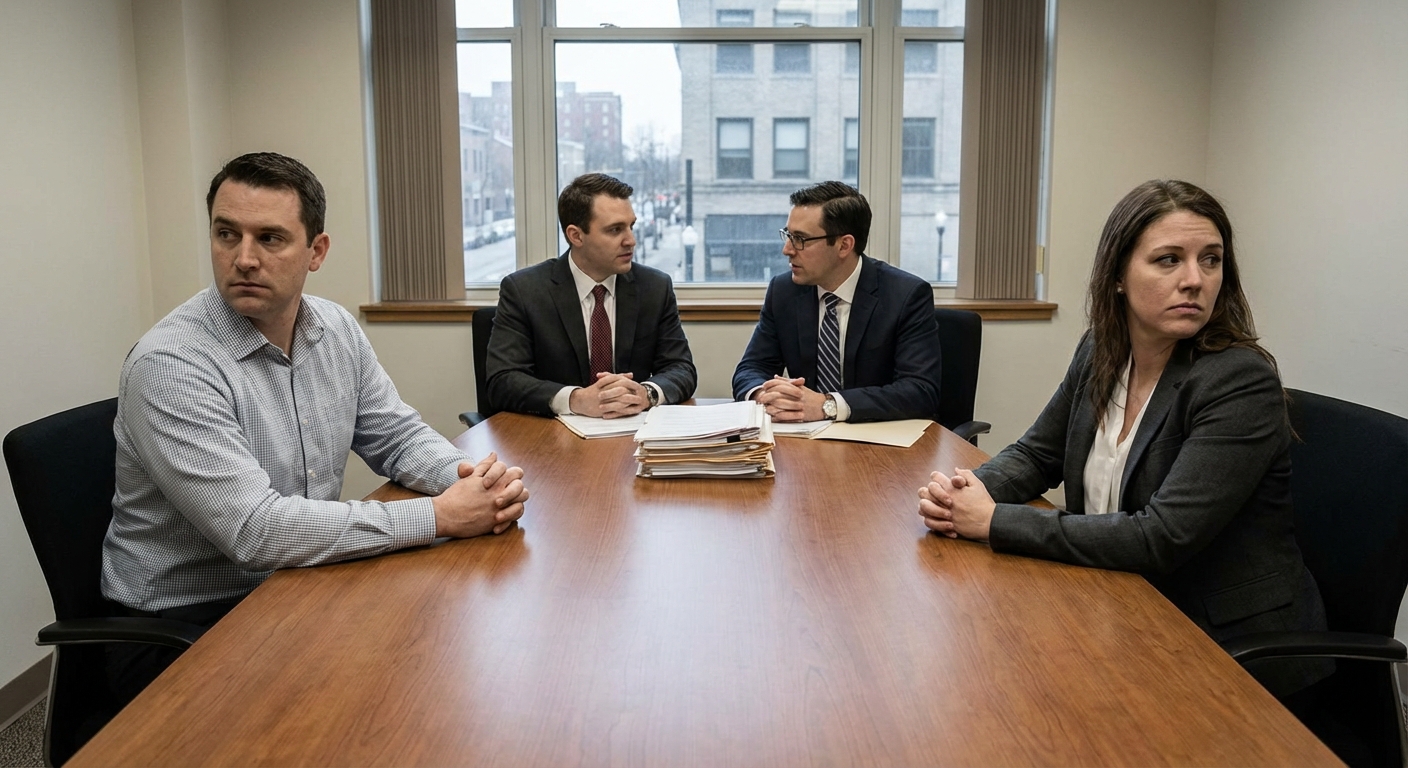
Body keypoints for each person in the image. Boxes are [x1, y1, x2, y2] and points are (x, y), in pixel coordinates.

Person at [103, 152, 530, 697]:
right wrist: (441, 516)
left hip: (293, 583)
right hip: (185, 627)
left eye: (270, 238)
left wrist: (470, 480)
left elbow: (395, 436)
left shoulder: (334, 329)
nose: (244, 259)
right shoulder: (172, 364)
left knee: (447, 660)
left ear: (316, 251)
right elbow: (254, 532)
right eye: (226, 234)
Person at [917, 179, 1331, 699]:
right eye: (1168, 260)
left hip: (1218, 640)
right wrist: (964, 491)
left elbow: (1161, 537)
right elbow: (1038, 453)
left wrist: (994, 519)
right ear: (1117, 275)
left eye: (1210, 260)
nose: (1194, 280)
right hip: (1117, 599)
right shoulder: (1102, 348)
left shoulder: (1237, 380)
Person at [485, 173, 696, 418]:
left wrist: (645, 394)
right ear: (576, 235)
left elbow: (681, 368)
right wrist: (575, 399)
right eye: (615, 230)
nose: (631, 240)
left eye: (631, 226)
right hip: (552, 437)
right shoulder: (524, 291)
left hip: (631, 435)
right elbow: (502, 380)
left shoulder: (654, 287)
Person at [732, 181, 942, 423]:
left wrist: (827, 405)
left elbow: (920, 390)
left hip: (878, 440)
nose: (787, 249)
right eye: (788, 235)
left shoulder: (905, 295)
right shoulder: (784, 291)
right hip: (804, 439)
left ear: (844, 245)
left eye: (800, 239)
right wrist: (764, 394)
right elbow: (751, 368)